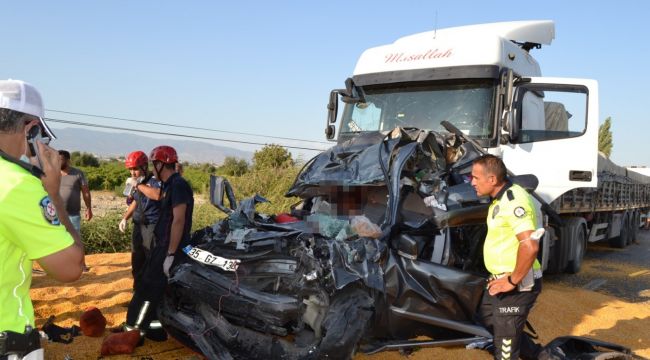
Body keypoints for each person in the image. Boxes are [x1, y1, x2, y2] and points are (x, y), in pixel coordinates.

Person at [0, 79, 85, 359]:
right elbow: (71, 268)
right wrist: (53, 195)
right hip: (8, 339)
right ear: (31, 128)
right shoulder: (16, 184)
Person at [470, 154, 543, 360]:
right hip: (500, 278)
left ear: (492, 180)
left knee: (505, 350)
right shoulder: (498, 199)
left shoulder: (513, 200)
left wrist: (512, 280)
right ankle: (542, 356)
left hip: (517, 283)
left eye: (475, 177)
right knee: (488, 319)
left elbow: (529, 245)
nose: (472, 182)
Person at [123, 145, 193, 341]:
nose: (153, 170)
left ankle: (133, 332)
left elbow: (178, 220)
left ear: (162, 164)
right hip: (161, 243)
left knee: (148, 288)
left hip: (167, 246)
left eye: (154, 165)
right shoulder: (170, 185)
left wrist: (170, 254)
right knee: (152, 287)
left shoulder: (177, 185)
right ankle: (155, 330)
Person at [119, 151, 161, 289]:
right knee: (137, 260)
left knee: (151, 261)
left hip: (151, 226)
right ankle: (137, 294)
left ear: (144, 166)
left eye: (135, 168)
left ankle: (151, 296)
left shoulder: (154, 181)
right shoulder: (138, 182)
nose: (132, 172)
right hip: (138, 225)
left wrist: (137, 185)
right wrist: (125, 218)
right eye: (130, 169)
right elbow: (135, 202)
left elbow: (156, 195)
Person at [58, 150, 93, 231]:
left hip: (73, 216)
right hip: (55, 215)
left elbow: (86, 193)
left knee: (74, 241)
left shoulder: (78, 173)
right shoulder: (52, 173)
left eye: (60, 160)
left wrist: (88, 209)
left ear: (68, 161)